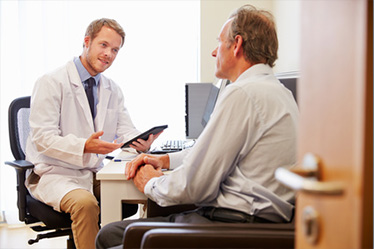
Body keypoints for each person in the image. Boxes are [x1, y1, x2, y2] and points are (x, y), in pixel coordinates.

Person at [96, 5, 299, 249]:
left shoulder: (243, 93)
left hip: (231, 226)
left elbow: (194, 186)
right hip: (253, 222)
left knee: (109, 236)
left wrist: (150, 182)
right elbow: (209, 152)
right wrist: (165, 161)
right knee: (112, 234)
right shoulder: (278, 92)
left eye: (219, 42)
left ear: (236, 44)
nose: (214, 52)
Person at [25, 18, 160, 249]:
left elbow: (125, 129)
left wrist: (143, 141)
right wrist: (84, 146)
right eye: (104, 45)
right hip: (55, 174)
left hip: (92, 172)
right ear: (87, 42)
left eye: (115, 50)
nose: (109, 54)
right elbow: (42, 138)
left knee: (146, 188)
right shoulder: (51, 82)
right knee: (85, 204)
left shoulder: (111, 88)